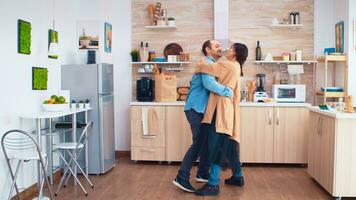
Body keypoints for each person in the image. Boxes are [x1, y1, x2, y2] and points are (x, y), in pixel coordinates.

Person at [173, 40, 234, 193]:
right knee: (198, 144)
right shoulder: (206, 62)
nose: (220, 48)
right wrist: (228, 91)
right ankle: (181, 176)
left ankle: (202, 173)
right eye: (216, 46)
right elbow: (209, 84)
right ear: (207, 50)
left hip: (202, 111)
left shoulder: (213, 64)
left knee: (207, 143)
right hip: (196, 109)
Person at [193, 43, 249, 196]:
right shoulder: (236, 65)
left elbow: (208, 68)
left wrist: (200, 63)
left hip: (221, 108)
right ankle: (237, 176)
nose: (227, 49)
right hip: (228, 108)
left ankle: (213, 184)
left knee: (217, 145)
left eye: (231, 49)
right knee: (229, 144)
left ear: (236, 54)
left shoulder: (227, 64)